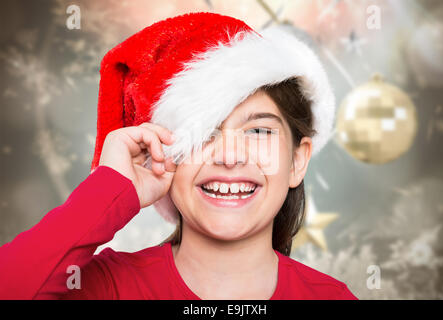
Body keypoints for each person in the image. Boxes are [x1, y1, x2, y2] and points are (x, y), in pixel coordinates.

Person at [0, 12, 358, 300]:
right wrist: (109, 189)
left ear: (298, 161)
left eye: (259, 131)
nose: (230, 156)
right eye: (202, 132)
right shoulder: (105, 288)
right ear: (162, 150)